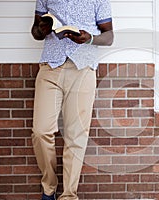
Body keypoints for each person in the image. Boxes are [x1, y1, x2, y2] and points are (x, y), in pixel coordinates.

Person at [30, 0, 113, 199]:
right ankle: (49, 187)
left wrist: (89, 38)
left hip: (83, 68)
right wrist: (41, 29)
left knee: (76, 136)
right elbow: (35, 31)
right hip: (51, 66)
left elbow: (109, 36)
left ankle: (68, 195)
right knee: (41, 131)